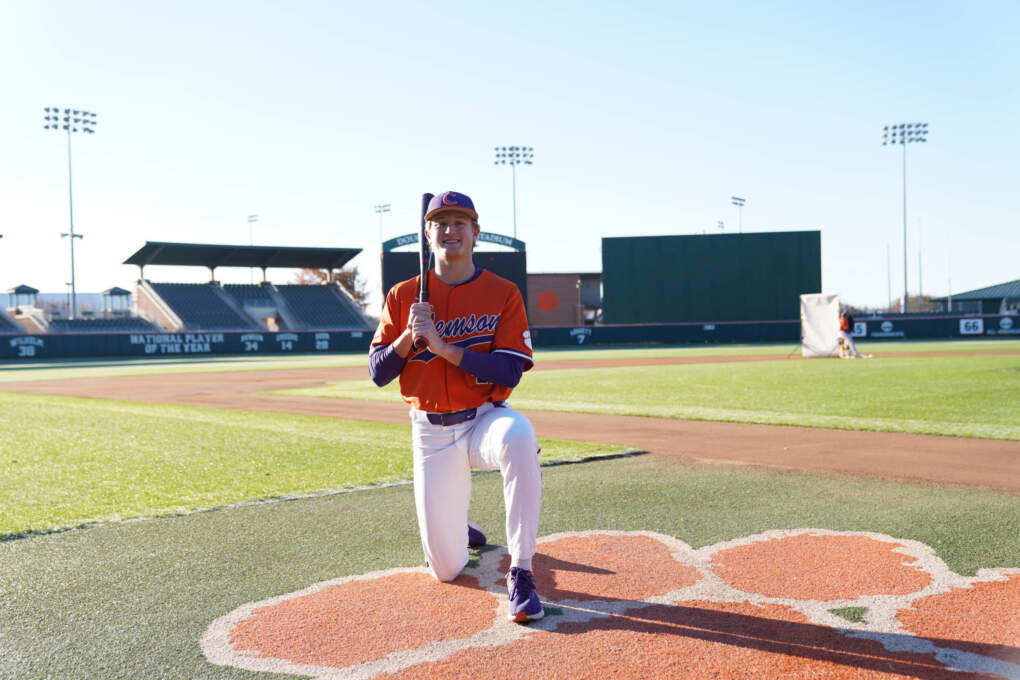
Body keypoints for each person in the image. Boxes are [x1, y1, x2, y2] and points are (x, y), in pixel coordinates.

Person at [368, 190, 544, 623]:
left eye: (459, 223)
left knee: (520, 436)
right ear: (428, 235)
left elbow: (510, 371)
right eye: (440, 223)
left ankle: (522, 572)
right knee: (446, 570)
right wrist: (409, 337)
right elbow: (378, 372)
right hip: (431, 432)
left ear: (475, 233)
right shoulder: (403, 295)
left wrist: (444, 348)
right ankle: (455, 526)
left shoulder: (502, 293)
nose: (450, 230)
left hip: (485, 420)